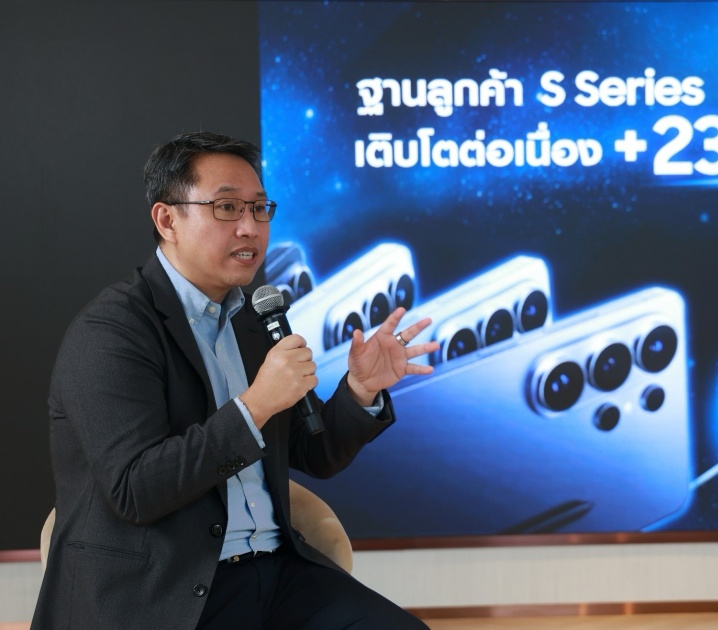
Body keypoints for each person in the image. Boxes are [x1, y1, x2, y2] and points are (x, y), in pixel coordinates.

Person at [33, 131, 436, 629]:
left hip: (278, 574)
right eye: (226, 208)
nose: (250, 227)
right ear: (167, 220)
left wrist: (361, 389)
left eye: (260, 208)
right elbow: (136, 491)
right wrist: (255, 406)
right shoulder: (111, 331)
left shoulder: (254, 321)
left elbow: (315, 453)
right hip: (164, 591)